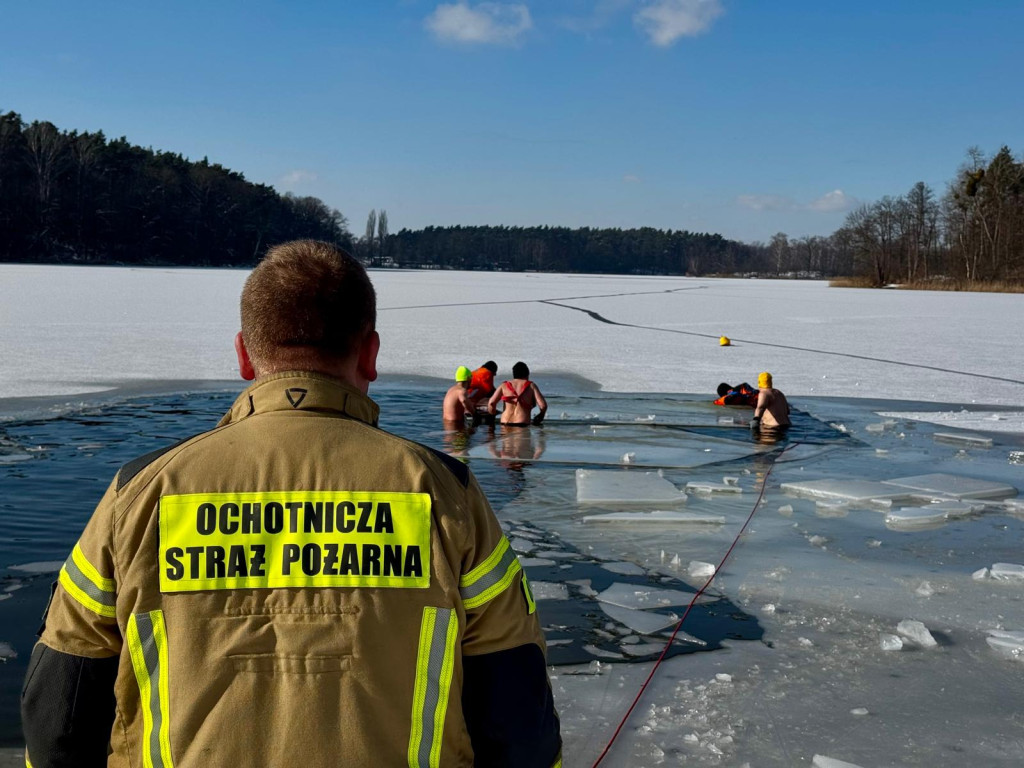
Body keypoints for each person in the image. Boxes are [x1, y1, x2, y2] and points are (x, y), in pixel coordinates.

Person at [22, 241, 562, 768]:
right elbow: (517, 711)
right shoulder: (446, 491)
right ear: (371, 353)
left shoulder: (139, 493)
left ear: (242, 354)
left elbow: (60, 715)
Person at [488, 361, 547, 427]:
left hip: (505, 423)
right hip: (522, 424)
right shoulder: (531, 386)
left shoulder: (504, 385)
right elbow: (543, 405)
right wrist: (541, 415)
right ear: (527, 374)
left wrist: (492, 415)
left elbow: (491, 403)